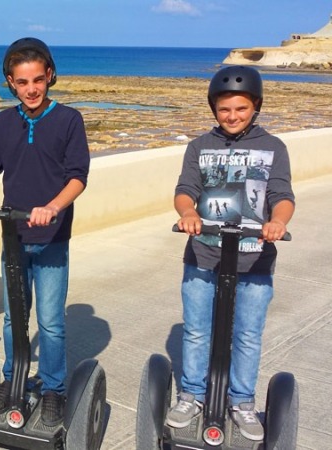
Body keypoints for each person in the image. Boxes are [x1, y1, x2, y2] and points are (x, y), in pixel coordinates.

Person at [0, 37, 90, 426]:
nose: (31, 89)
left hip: (51, 239)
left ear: (49, 76)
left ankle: (53, 389)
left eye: (37, 80)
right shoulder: (2, 122)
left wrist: (53, 207)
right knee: (15, 318)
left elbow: (78, 177)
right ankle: (13, 381)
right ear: (10, 83)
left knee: (49, 320)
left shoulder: (68, 120)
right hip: (13, 237)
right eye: (22, 82)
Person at [167, 66, 295, 441]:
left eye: (241, 108)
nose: (233, 116)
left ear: (255, 106)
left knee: (248, 334)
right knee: (195, 332)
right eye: (225, 110)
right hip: (204, 255)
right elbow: (185, 188)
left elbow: (281, 196)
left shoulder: (274, 147)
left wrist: (278, 222)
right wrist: (188, 213)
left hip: (255, 256)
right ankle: (191, 393)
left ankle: (241, 401)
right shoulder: (199, 146)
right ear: (214, 109)